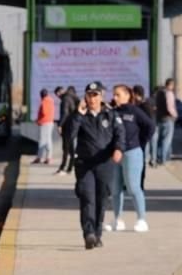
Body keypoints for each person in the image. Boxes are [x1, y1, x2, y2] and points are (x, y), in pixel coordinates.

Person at [68, 82, 125, 250]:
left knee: (101, 199)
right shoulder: (79, 115)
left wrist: (119, 149)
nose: (92, 98)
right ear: (85, 96)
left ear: (101, 96)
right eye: (89, 95)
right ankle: (88, 233)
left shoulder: (110, 115)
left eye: (95, 95)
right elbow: (69, 135)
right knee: (87, 197)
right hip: (84, 164)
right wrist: (78, 115)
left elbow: (120, 134)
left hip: (105, 163)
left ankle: (97, 233)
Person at [106, 84, 154, 233]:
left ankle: (141, 219)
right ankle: (118, 220)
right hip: (115, 154)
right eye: (114, 94)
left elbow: (150, 126)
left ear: (127, 95)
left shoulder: (134, 111)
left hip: (132, 153)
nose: (115, 97)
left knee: (133, 187)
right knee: (115, 188)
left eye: (118, 94)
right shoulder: (113, 112)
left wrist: (140, 143)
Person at [55, 86, 79, 175]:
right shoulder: (72, 97)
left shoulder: (65, 99)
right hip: (73, 125)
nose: (57, 95)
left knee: (66, 148)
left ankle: (63, 168)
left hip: (67, 126)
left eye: (57, 93)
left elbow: (65, 113)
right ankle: (69, 168)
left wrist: (60, 125)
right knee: (71, 148)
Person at [154, 78, 177, 166]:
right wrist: (175, 115)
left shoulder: (159, 93)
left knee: (160, 139)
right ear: (171, 85)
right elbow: (170, 107)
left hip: (159, 118)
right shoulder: (169, 93)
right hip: (168, 118)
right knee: (166, 140)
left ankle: (159, 157)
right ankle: (163, 159)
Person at [35, 88, 55, 165]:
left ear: (41, 95)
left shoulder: (44, 101)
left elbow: (44, 112)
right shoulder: (50, 100)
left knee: (42, 140)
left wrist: (39, 120)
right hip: (50, 122)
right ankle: (48, 157)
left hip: (45, 123)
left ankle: (39, 157)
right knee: (48, 140)